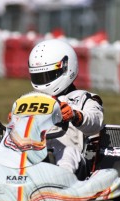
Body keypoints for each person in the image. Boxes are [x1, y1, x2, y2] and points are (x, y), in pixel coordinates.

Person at [25, 39, 104, 175]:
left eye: (47, 76)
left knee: (66, 153)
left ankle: (59, 181)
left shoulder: (83, 99)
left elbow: (97, 122)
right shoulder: (30, 99)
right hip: (33, 149)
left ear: (66, 68)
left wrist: (76, 116)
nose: (43, 82)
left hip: (70, 155)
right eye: (39, 77)